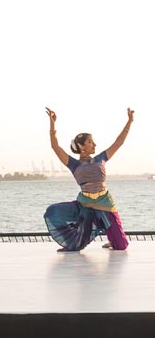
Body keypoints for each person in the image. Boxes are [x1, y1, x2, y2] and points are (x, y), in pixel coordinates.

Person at [44, 107, 132, 252]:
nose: (95, 144)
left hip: (105, 203)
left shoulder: (101, 158)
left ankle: (113, 239)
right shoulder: (74, 164)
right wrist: (52, 124)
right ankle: (72, 243)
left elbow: (119, 142)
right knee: (53, 212)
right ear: (81, 146)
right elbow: (55, 147)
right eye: (90, 142)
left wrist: (130, 121)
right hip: (86, 206)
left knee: (121, 246)